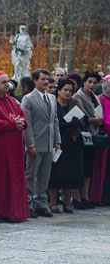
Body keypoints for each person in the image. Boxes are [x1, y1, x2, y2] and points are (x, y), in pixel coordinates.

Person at [0, 72, 30, 223]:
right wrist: (13, 124)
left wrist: (22, 122)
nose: (7, 84)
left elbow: (21, 114)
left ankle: (13, 211)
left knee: (14, 179)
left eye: (8, 82)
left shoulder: (10, 99)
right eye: (3, 82)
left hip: (14, 146)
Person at [22, 69, 61, 217]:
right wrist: (30, 144)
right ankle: (28, 202)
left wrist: (57, 140)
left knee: (45, 175)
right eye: (43, 79)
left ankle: (41, 203)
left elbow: (54, 120)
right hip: (35, 142)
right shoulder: (28, 99)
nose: (46, 82)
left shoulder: (51, 98)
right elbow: (27, 124)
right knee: (31, 175)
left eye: (47, 79)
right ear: (35, 81)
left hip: (49, 141)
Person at [49, 79, 87, 214]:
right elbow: (54, 124)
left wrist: (78, 123)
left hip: (73, 142)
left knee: (71, 174)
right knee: (56, 174)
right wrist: (68, 124)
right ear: (58, 90)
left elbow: (84, 120)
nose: (68, 93)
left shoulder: (74, 104)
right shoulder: (53, 104)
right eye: (65, 90)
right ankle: (53, 203)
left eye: (70, 91)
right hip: (59, 143)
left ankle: (67, 202)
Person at [76, 72, 106, 206]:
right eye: (90, 82)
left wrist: (97, 120)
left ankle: (86, 196)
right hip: (81, 135)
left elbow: (100, 117)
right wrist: (93, 120)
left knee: (88, 168)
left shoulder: (95, 98)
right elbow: (78, 117)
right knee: (80, 167)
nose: (92, 85)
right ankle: (77, 197)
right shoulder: (78, 97)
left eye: (94, 83)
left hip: (93, 135)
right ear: (84, 82)